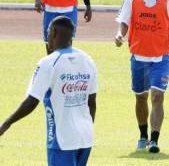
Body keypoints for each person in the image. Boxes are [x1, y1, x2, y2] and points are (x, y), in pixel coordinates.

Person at [0, 16, 98, 166]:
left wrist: (6, 124)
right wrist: (86, 128)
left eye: (47, 32)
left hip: (62, 139)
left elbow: (31, 101)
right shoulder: (88, 60)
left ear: (53, 32)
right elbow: (92, 103)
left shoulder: (48, 63)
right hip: (85, 137)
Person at [114, 0, 169, 153]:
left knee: (157, 96)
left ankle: (154, 139)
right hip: (138, 57)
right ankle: (142, 135)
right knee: (141, 98)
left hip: (161, 58)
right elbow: (124, 20)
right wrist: (120, 34)